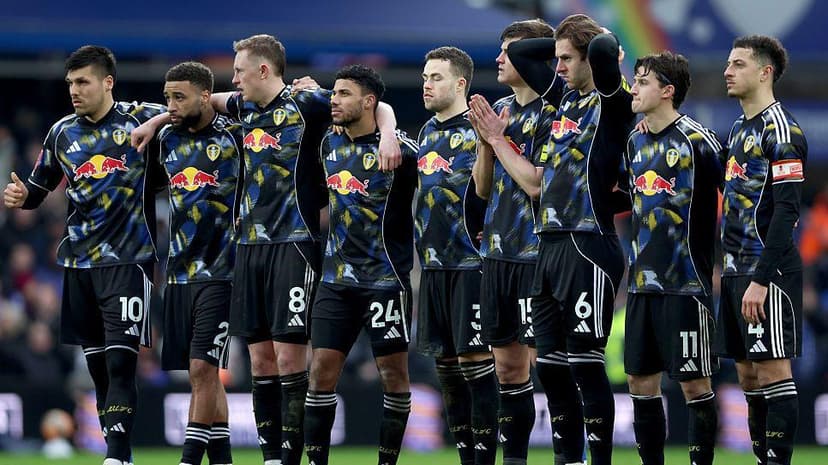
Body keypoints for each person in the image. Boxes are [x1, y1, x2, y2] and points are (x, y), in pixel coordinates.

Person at [132, 34, 401, 465]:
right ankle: (272, 457)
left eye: (240, 71)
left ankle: (292, 457)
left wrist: (387, 135)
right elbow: (201, 100)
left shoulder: (307, 104)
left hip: (294, 245)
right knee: (260, 362)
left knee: (289, 356)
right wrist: (156, 122)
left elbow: (376, 105)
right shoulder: (242, 107)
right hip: (249, 248)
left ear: (263, 70)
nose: (234, 79)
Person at [3, 45, 165, 465]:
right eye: (70, 83)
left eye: (83, 82)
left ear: (108, 82)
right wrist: (22, 196)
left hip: (129, 259)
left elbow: (192, 110)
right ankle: (117, 449)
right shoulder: (61, 133)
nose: (74, 90)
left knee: (121, 361)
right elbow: (39, 189)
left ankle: (117, 454)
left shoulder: (140, 119)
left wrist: (161, 119)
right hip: (79, 263)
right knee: (96, 368)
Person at [507, 14, 635, 465]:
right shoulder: (562, 98)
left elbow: (603, 48)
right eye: (556, 58)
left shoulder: (612, 101)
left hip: (589, 241)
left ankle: (600, 460)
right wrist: (562, 40)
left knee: (585, 363)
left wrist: (595, 44)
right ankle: (569, 458)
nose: (557, 66)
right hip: (549, 242)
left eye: (566, 58)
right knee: (550, 366)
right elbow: (521, 53)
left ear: (590, 60)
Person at [303, 64, 418, 465]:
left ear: (369, 102)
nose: (334, 101)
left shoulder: (403, 151)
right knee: (320, 372)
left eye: (344, 94)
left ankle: (387, 462)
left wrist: (388, 133)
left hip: (386, 279)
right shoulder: (327, 144)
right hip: (335, 279)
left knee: (393, 375)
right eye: (333, 93)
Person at [623, 51, 722, 465]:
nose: (633, 88)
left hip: (686, 285)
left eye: (642, 81)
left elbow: (738, 196)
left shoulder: (699, 141)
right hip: (641, 286)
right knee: (639, 382)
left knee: (695, 385)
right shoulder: (634, 141)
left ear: (667, 91)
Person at [468, 18, 558, 465]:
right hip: (497, 254)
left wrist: (498, 139)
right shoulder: (499, 109)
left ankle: (571, 455)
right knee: (507, 369)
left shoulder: (553, 111)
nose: (499, 58)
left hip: (536, 255)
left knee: (552, 368)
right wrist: (486, 144)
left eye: (509, 51)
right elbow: (482, 189)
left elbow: (536, 184)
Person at [717, 35, 807, 465]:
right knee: (748, 376)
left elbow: (787, 213)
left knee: (772, 371)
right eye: (728, 63)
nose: (727, 71)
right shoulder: (738, 129)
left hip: (767, 274)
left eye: (738, 64)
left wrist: (761, 278)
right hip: (735, 272)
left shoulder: (782, 131)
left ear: (765, 72)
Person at [415, 46, 498, 465]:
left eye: (436, 77)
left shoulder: (479, 129)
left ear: (460, 83)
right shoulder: (426, 132)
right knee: (446, 367)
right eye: (425, 77)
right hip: (433, 267)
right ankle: (466, 455)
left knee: (475, 362)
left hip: (471, 264)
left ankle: (485, 458)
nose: (427, 85)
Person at [155, 61, 240, 465]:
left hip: (222, 270)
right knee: (198, 373)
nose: (170, 105)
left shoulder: (235, 137)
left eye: (179, 97)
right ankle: (222, 459)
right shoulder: (165, 139)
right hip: (177, 272)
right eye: (167, 98)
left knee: (203, 369)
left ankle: (188, 460)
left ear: (206, 96)